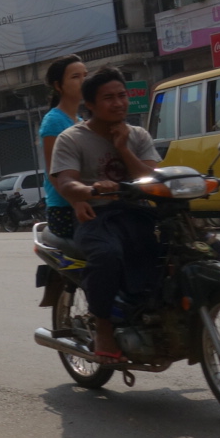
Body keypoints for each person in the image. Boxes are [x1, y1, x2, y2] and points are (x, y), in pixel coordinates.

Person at [50, 67, 162, 362]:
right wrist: (90, 190)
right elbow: (66, 182)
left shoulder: (138, 136)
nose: (119, 103)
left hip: (137, 213)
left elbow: (152, 179)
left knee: (195, 246)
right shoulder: (71, 138)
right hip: (97, 216)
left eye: (122, 95)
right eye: (109, 98)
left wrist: (123, 149)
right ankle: (103, 325)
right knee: (107, 256)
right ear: (90, 104)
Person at [39, 54, 88, 241]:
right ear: (58, 86)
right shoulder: (53, 121)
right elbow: (54, 173)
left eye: (85, 75)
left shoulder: (80, 121)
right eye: (75, 77)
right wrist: (76, 203)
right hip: (64, 209)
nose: (83, 81)